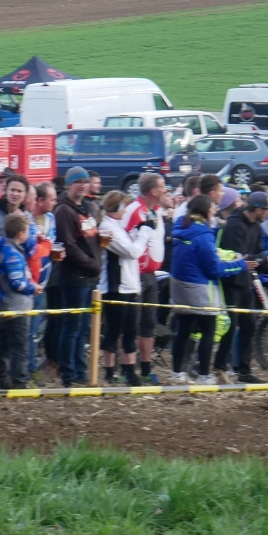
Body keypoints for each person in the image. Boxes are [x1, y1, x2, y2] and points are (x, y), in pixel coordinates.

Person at [168, 193, 251, 385]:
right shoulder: (203, 235)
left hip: (179, 285)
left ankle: (177, 373)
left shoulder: (182, 227)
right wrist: (240, 265)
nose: (215, 212)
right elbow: (214, 269)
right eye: (213, 209)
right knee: (208, 330)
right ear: (206, 211)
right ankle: (204, 375)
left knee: (183, 329)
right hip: (200, 289)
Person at [0, 173, 34, 384]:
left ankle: (2, 376)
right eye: (12, 189)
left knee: (9, 333)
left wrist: (23, 231)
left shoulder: (26, 215)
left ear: (25, 194)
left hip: (15, 276)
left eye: (19, 191)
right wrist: (3, 241)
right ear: (5, 190)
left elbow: (31, 245)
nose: (15, 194)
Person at [51, 166, 102, 388]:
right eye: (78, 182)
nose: (82, 185)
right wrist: (91, 264)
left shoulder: (87, 207)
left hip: (90, 276)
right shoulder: (63, 211)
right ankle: (68, 373)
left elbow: (91, 236)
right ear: (68, 185)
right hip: (74, 276)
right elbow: (69, 246)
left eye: (85, 181)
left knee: (83, 328)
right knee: (71, 327)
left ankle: (81, 370)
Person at [218, 190, 268, 383]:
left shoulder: (256, 227)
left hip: (245, 283)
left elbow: (256, 256)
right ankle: (220, 367)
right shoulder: (234, 225)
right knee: (229, 326)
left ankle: (243, 370)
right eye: (266, 209)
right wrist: (266, 259)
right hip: (230, 282)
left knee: (249, 325)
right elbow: (239, 257)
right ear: (257, 209)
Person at [97, 190, 150, 386]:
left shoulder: (117, 227)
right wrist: (145, 233)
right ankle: (109, 371)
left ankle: (129, 371)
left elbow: (129, 244)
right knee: (114, 330)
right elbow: (132, 252)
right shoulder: (106, 228)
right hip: (116, 286)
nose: (126, 211)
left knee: (130, 330)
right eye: (124, 207)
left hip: (130, 285)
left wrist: (137, 231)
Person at [123, 173, 169, 384]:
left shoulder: (157, 210)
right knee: (131, 323)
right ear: (153, 191)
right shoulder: (134, 210)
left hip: (152, 274)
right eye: (163, 186)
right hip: (135, 274)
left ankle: (145, 368)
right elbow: (122, 238)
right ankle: (126, 368)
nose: (166, 190)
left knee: (149, 323)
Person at [0, 212, 40, 390]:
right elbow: (16, 282)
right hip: (15, 307)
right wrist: (33, 288)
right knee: (20, 345)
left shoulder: (10, 249)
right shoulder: (13, 254)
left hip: (7, 305)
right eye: (28, 231)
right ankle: (19, 380)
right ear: (21, 234)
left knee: (4, 344)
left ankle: (0, 377)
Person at [28, 181, 58, 380]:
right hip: (26, 280)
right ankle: (23, 368)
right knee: (24, 328)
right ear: (40, 200)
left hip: (44, 280)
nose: (55, 203)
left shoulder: (50, 218)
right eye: (52, 199)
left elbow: (51, 242)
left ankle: (32, 367)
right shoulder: (26, 218)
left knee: (36, 327)